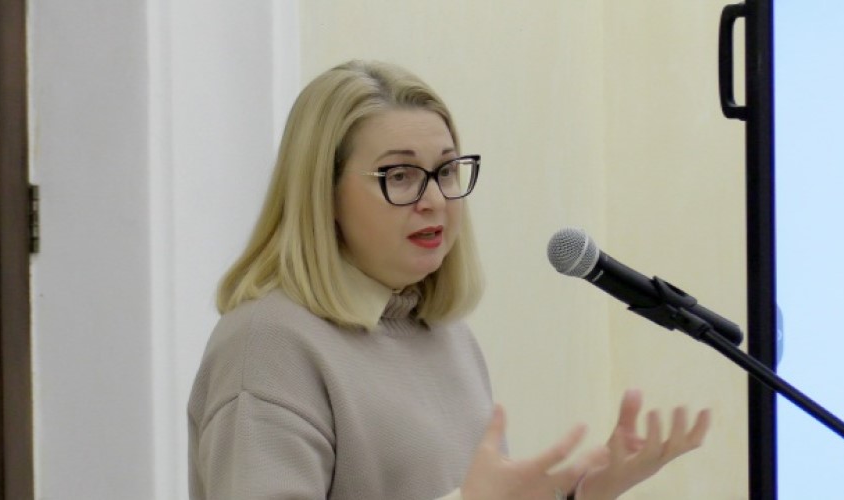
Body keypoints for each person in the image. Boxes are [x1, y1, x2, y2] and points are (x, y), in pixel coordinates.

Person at [187, 60, 710, 500]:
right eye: (400, 176)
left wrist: (579, 494)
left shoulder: (444, 333)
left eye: (446, 171)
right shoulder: (268, 344)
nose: (435, 199)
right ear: (323, 195)